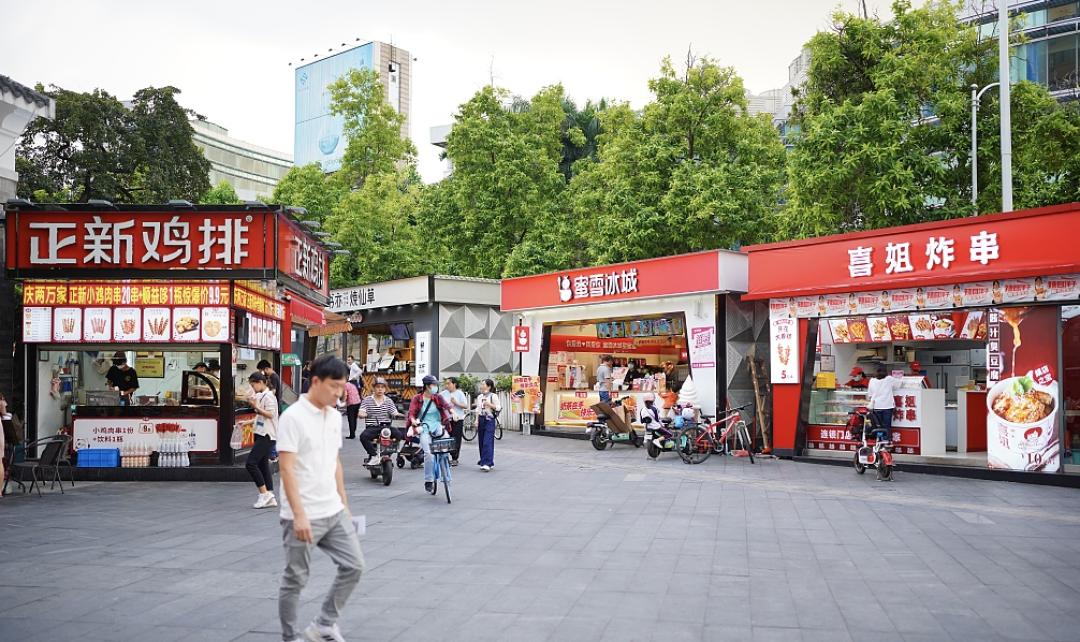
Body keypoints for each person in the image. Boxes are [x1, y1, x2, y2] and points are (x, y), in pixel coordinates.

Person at [276, 354, 363, 642]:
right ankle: (290, 637)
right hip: (302, 514)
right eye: (334, 386)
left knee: (354, 566)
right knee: (296, 578)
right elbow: (286, 469)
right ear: (315, 381)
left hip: (333, 510)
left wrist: (345, 504)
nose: (339, 393)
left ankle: (324, 623)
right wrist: (299, 515)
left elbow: (335, 462)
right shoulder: (293, 418)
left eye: (343, 386)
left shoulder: (334, 416)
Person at [407, 375, 452, 490]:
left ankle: (446, 473)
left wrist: (453, 413)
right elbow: (411, 412)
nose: (436, 387)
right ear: (427, 386)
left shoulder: (438, 397)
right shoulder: (417, 398)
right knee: (429, 454)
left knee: (445, 445)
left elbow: (447, 406)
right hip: (424, 427)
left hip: (437, 426)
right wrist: (413, 420)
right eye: (434, 385)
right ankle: (429, 480)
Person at [245, 372, 279, 509]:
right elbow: (260, 417)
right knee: (263, 464)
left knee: (251, 464)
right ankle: (270, 495)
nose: (252, 388)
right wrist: (247, 422)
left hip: (267, 435)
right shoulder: (261, 395)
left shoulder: (269, 396)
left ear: (260, 382)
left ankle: (264, 494)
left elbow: (270, 414)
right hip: (261, 433)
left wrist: (256, 407)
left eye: (253, 385)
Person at [358, 377, 404, 466]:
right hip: (372, 427)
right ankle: (374, 455)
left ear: (385, 389)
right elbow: (361, 412)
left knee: (399, 434)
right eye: (378, 387)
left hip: (386, 427)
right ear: (373, 388)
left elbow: (394, 412)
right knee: (363, 437)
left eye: (382, 387)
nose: (380, 389)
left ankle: (387, 453)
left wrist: (403, 415)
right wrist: (364, 414)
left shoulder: (388, 401)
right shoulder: (367, 400)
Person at [867, 368, 903, 444]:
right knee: (887, 425)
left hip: (876, 406)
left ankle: (879, 440)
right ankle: (887, 441)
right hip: (887, 406)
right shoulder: (889, 379)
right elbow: (900, 384)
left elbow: (870, 394)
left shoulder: (872, 380)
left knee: (878, 425)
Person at [440, 377, 469, 466]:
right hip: (446, 419)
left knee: (456, 439)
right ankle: (445, 456)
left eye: (448, 383)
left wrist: (456, 403)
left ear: (454, 384)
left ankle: (454, 458)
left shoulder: (460, 393)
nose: (447, 385)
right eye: (446, 384)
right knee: (445, 437)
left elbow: (465, 406)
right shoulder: (443, 394)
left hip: (457, 419)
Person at [475, 378, 501, 472]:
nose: (481, 386)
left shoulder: (493, 396)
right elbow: (478, 409)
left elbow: (498, 407)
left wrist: (489, 404)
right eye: (481, 384)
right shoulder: (479, 397)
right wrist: (476, 420)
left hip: (489, 419)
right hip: (481, 419)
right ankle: (484, 461)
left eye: (483, 384)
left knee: (487, 441)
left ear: (489, 386)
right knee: (481, 441)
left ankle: (487, 463)